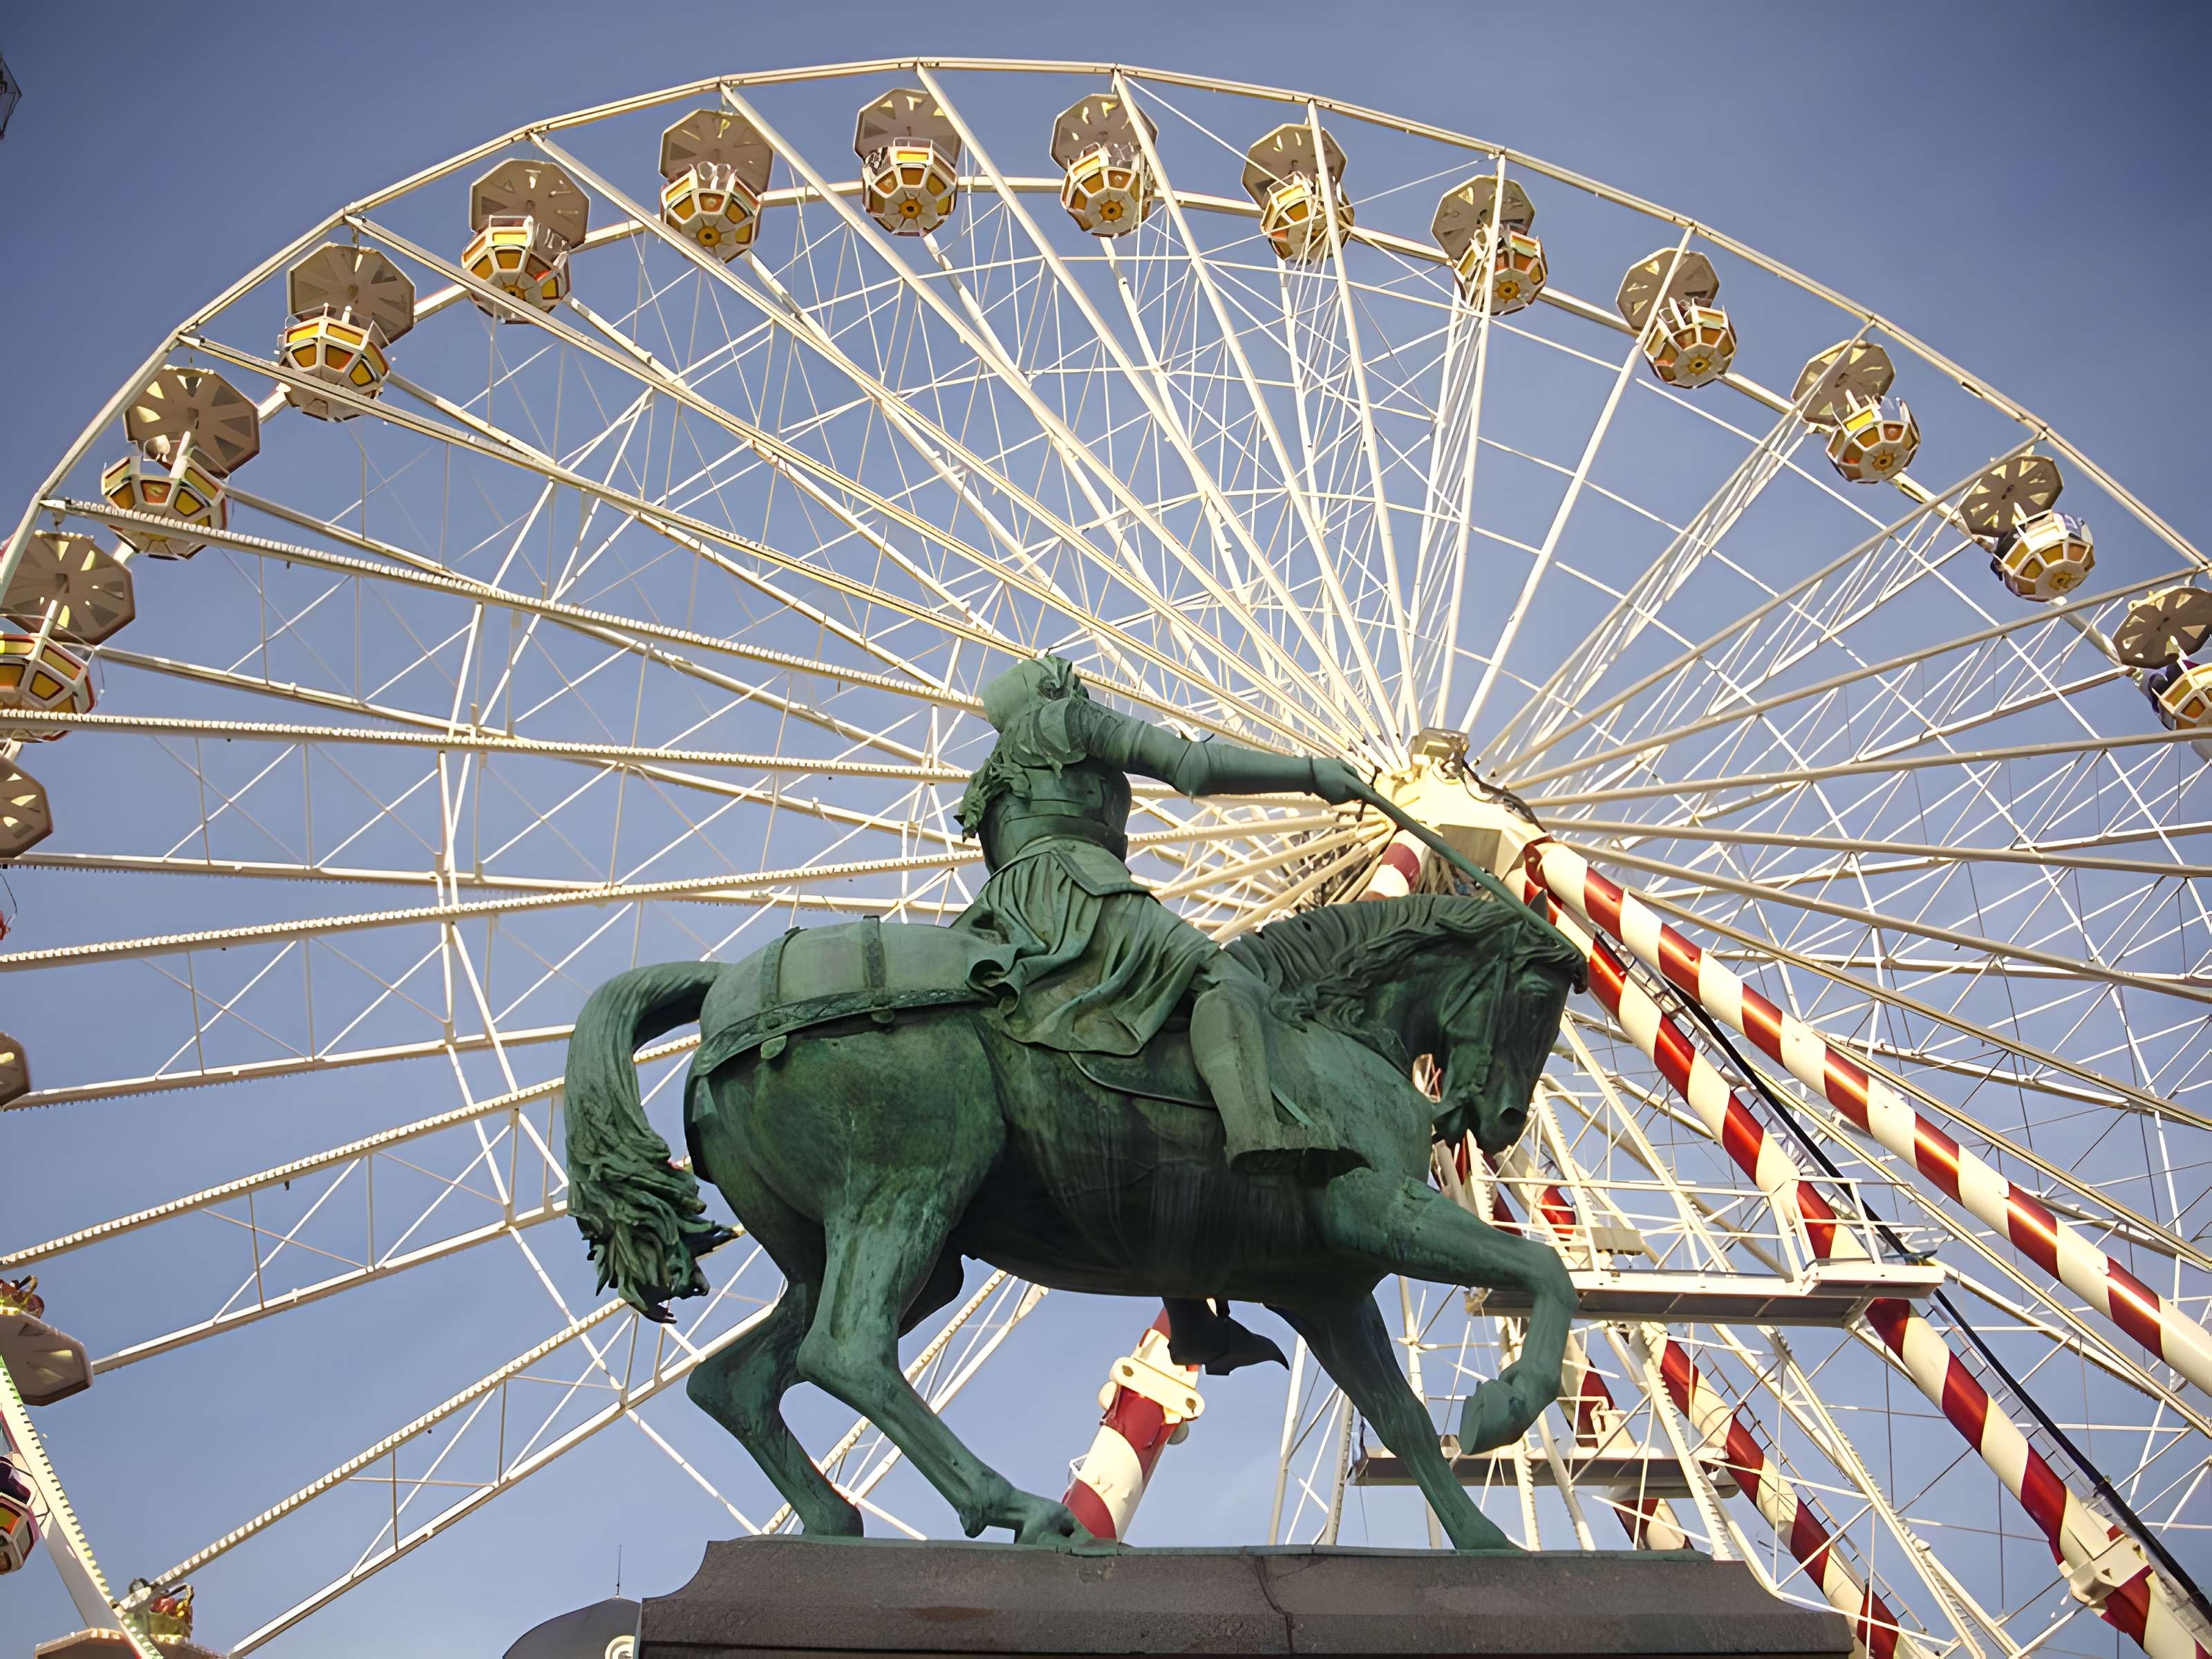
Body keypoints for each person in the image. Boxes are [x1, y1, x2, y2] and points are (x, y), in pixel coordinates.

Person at [951, 654, 1365, 1372]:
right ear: (1051, 690)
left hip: (1001, 923)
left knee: (1145, 1067)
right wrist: (1309, 775)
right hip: (1081, 896)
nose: (1077, 686)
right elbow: (1192, 768)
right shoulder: (1068, 722)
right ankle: (1258, 1130)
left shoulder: (989, 776)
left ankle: (1190, 1316)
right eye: (1068, 679)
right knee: (1221, 980)